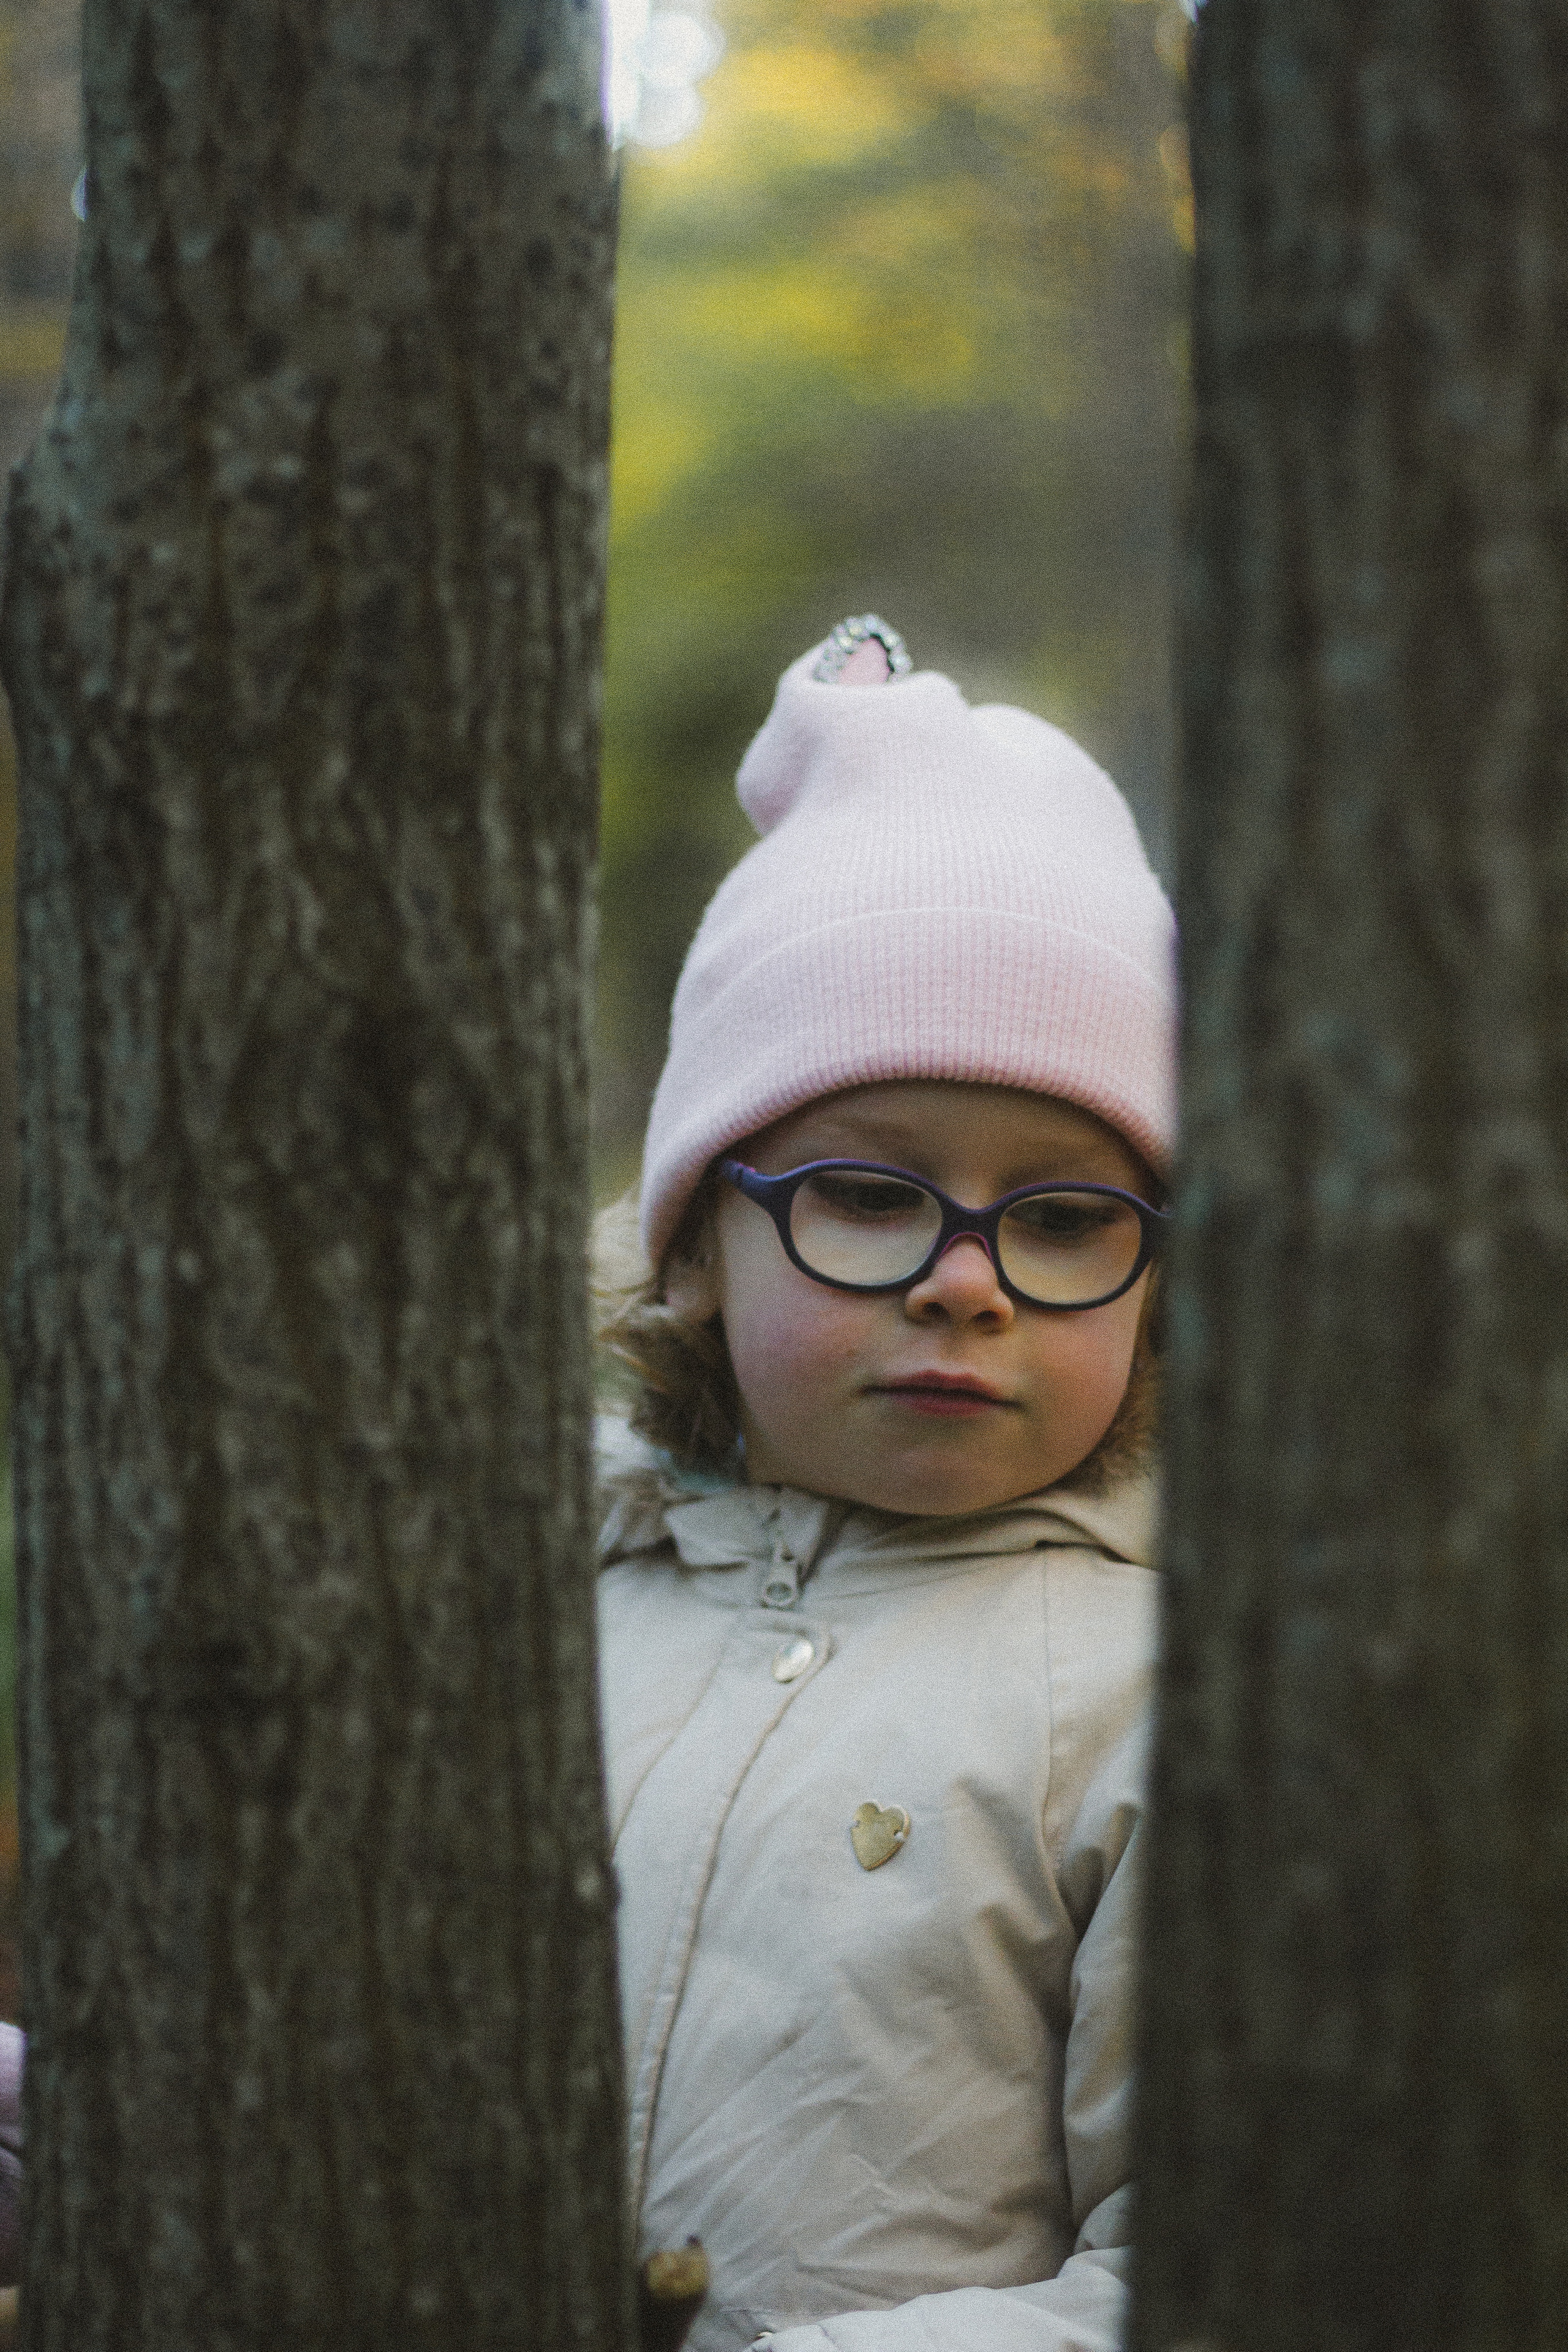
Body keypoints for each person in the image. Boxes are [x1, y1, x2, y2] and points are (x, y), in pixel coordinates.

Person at [595, 615, 1175, 2352]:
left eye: (1067, 1217)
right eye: (870, 1190)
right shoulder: (525, 1605)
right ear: (696, 1239)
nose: (968, 1280)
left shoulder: (1175, 1707)